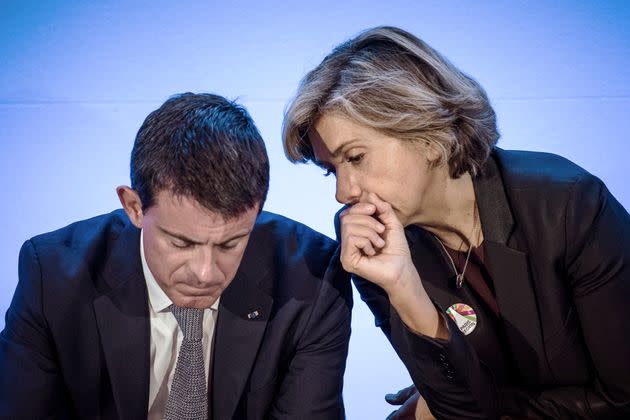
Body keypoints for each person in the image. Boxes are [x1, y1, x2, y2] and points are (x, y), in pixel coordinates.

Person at [282, 26, 630, 419]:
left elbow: (622, 400)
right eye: (332, 171)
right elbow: (458, 408)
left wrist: (489, 409)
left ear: (427, 133)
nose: (344, 193)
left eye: (356, 158)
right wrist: (404, 289)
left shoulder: (569, 206)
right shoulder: (372, 240)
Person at [0, 93, 352, 419]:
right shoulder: (54, 277)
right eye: (181, 243)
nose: (204, 273)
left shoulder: (314, 280)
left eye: (230, 244)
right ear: (134, 207)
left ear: (257, 211)